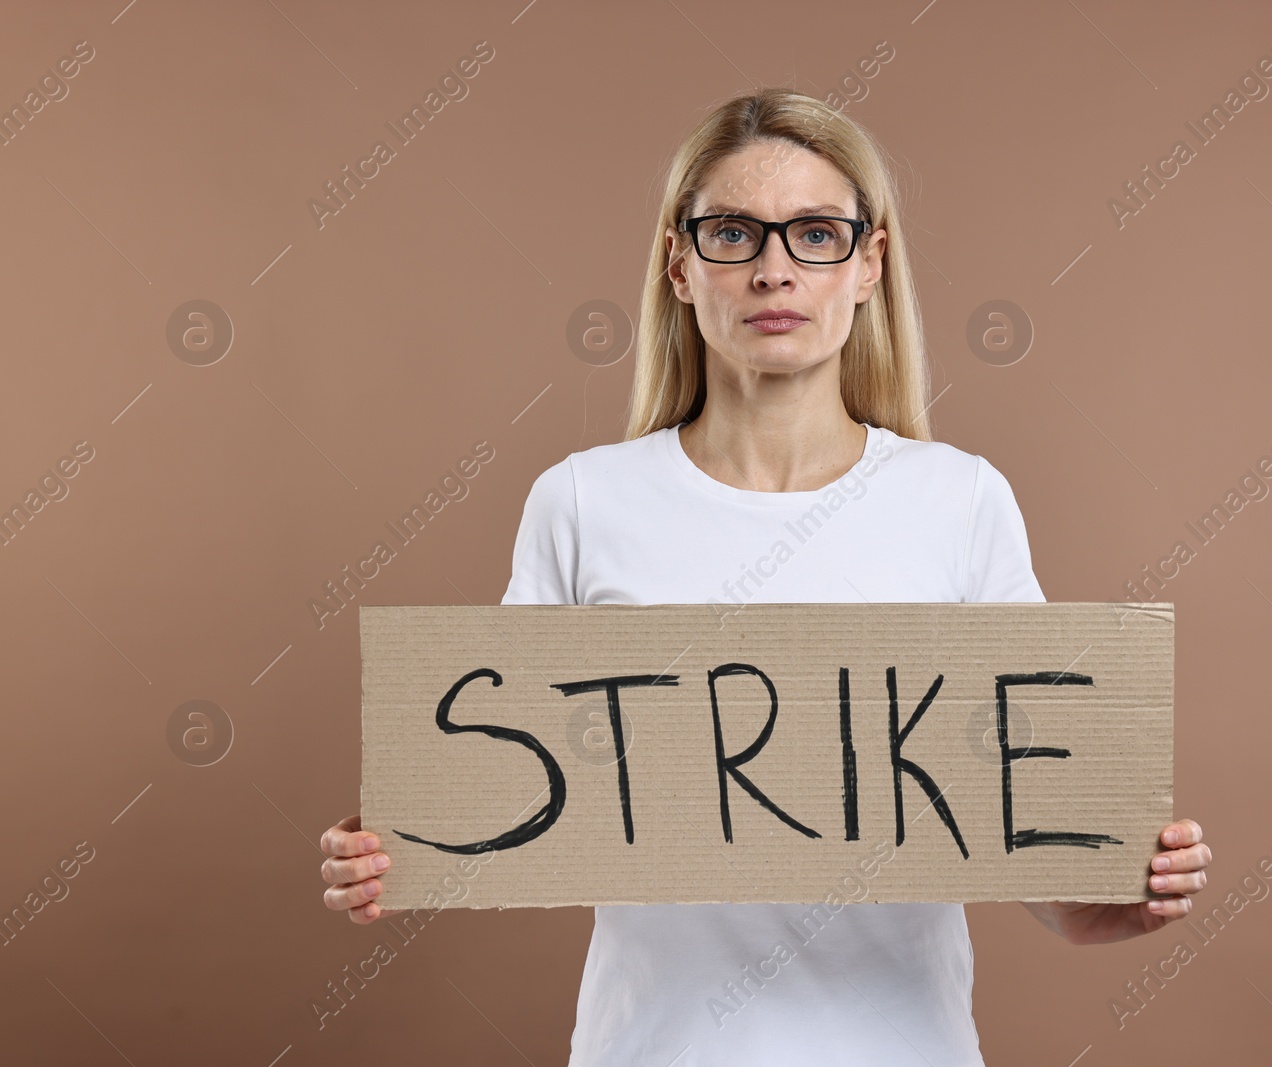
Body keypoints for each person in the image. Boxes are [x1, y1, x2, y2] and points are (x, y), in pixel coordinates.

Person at [320, 86, 1210, 1065]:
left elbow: (1030, 848)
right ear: (679, 261)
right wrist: (396, 841)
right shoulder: (582, 501)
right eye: (734, 233)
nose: (774, 269)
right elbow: (502, 796)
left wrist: (1119, 892)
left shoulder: (960, 500)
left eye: (815, 233)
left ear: (869, 263)